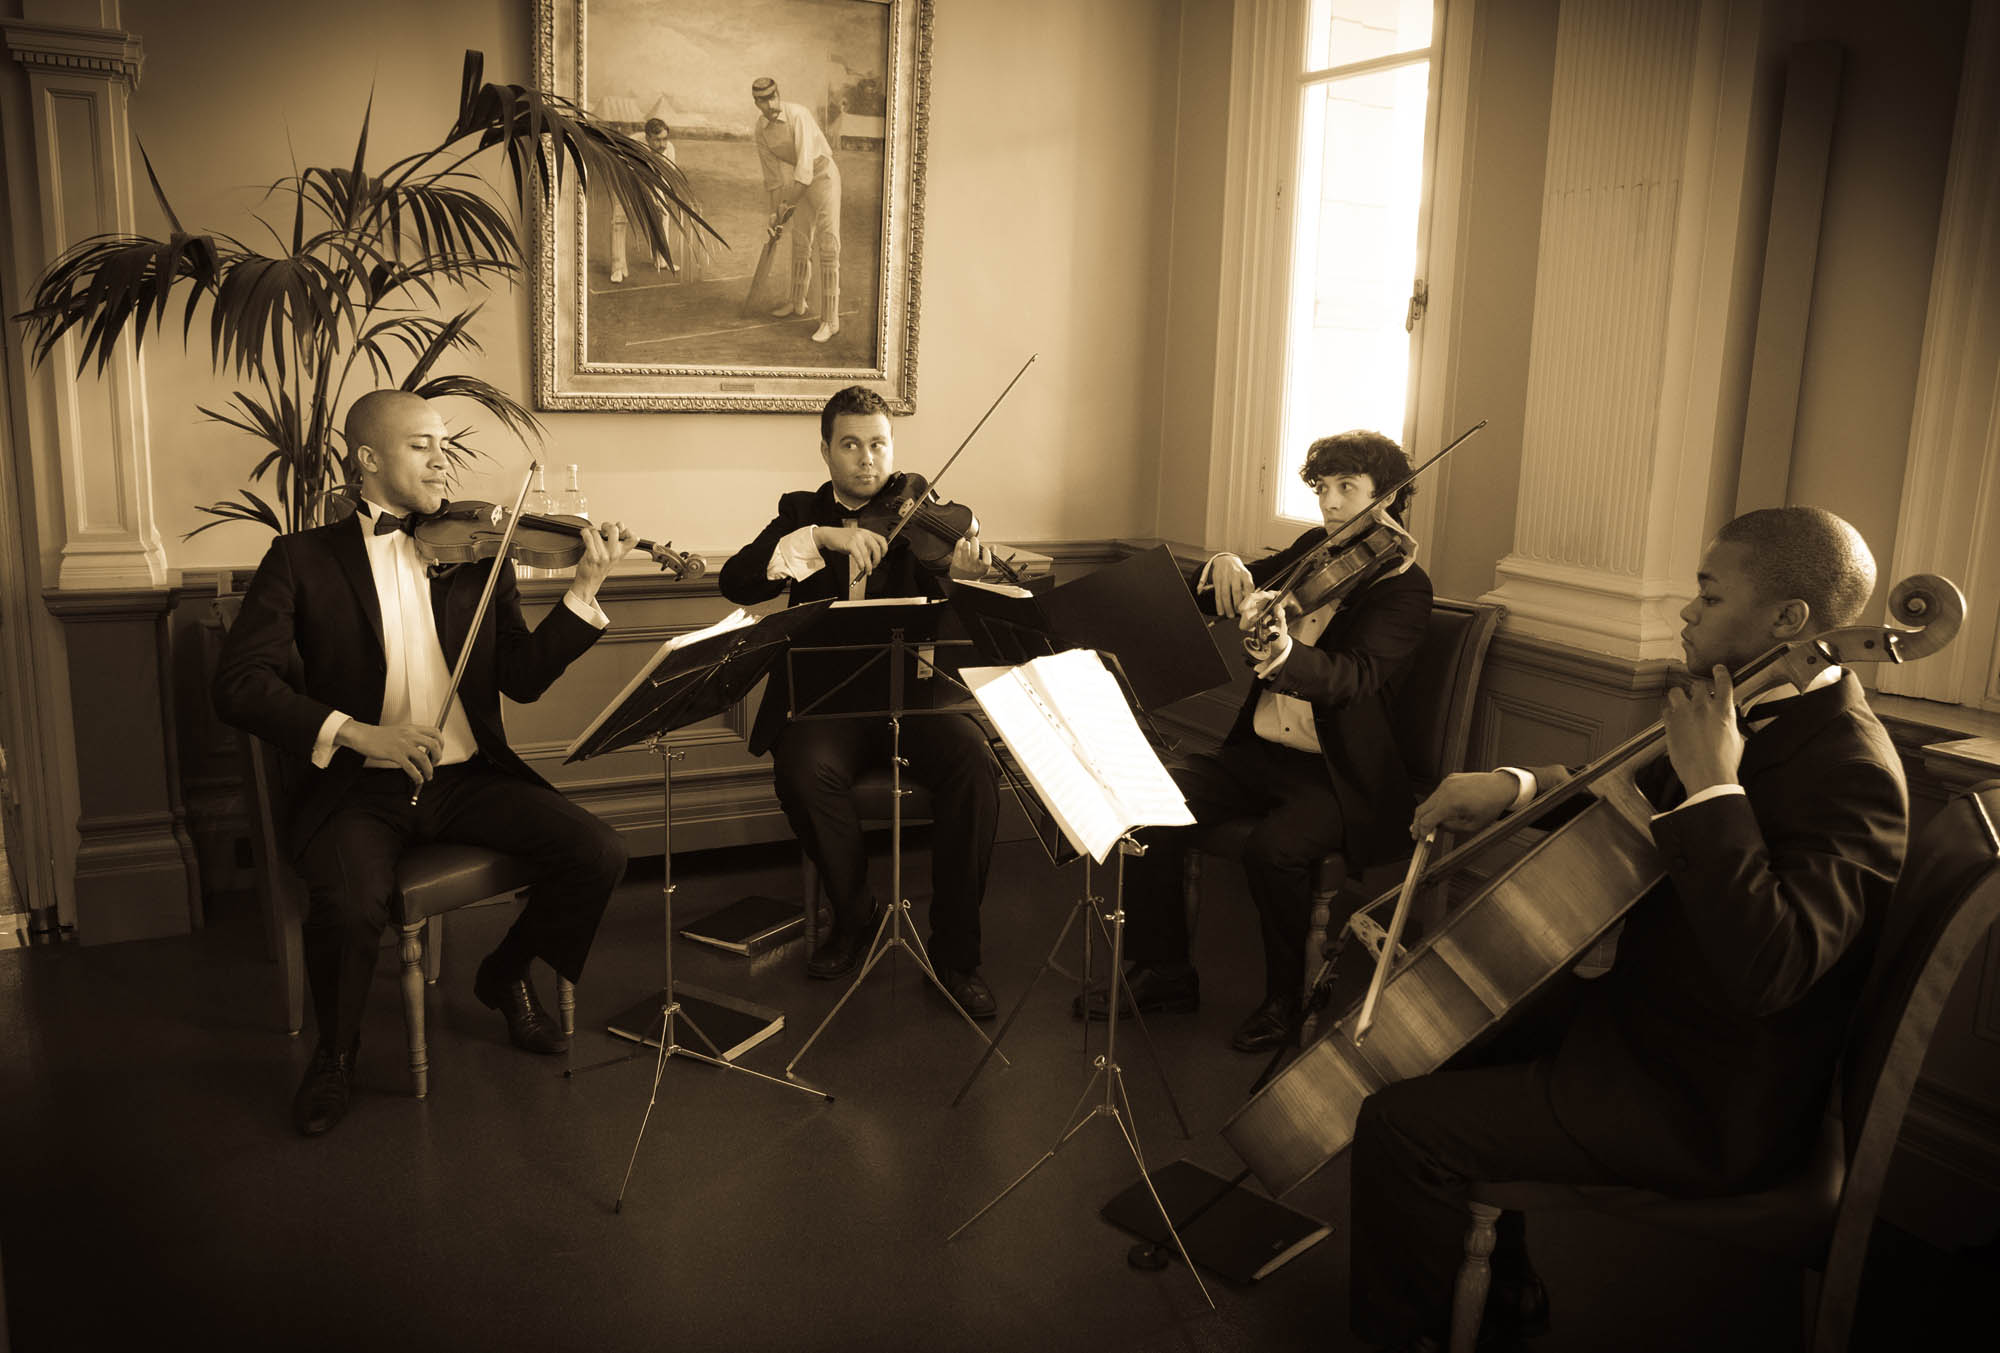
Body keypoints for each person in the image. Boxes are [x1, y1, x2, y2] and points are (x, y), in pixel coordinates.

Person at [1346, 506, 1907, 1352]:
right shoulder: (1742, 701)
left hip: (1707, 1097)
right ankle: (1504, 1288)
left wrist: (1717, 784)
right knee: (1449, 1041)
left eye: (1708, 596)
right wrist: (1510, 785)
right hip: (1654, 1022)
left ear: (1790, 621)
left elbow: (1776, 968)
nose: (1687, 612)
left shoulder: (1852, 768)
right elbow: (1624, 789)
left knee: (1400, 1124)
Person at [214, 390, 638, 1137]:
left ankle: (503, 973)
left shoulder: (479, 553)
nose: (444, 457)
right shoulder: (301, 558)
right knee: (349, 903)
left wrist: (582, 593)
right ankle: (335, 1056)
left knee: (598, 850)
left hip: (466, 779)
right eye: (421, 445)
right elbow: (240, 685)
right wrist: (356, 732)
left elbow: (523, 676)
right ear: (367, 460)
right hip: (357, 787)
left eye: (446, 444)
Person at [1075, 431, 1433, 1053]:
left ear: (1389, 498)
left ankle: (1286, 999)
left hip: (1337, 776)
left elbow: (1355, 678)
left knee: (1275, 851)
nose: (1331, 504)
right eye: (1324, 488)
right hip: (1261, 755)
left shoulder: (1403, 586)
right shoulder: (1312, 550)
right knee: (1151, 801)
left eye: (1348, 489)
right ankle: (1164, 973)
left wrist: (1289, 657)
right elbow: (1227, 591)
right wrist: (1221, 565)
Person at [718, 385, 1002, 1017]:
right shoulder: (800, 512)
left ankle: (956, 956)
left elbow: (954, 593)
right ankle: (856, 916)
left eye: (878, 444)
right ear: (826, 451)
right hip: (827, 707)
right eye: (850, 444)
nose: (867, 459)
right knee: (801, 768)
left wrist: (969, 576)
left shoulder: (920, 514)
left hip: (914, 701)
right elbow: (734, 580)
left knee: (975, 764)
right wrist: (820, 539)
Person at [750, 76, 842, 343]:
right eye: (763, 100)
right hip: (799, 184)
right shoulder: (761, 130)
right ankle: (796, 302)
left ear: (778, 94)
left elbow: (804, 170)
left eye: (772, 97)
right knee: (800, 242)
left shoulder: (798, 115)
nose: (770, 104)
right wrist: (774, 214)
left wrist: (785, 208)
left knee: (827, 245)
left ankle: (830, 320)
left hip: (823, 177)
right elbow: (773, 179)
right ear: (756, 102)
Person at [609, 118, 688, 285]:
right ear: (647, 137)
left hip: (652, 180)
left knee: (663, 214)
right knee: (619, 220)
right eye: (657, 140)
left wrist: (660, 200)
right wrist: (652, 199)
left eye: (665, 138)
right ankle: (617, 266)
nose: (662, 144)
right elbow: (637, 178)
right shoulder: (634, 145)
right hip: (625, 179)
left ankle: (661, 258)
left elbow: (666, 175)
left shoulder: (669, 148)